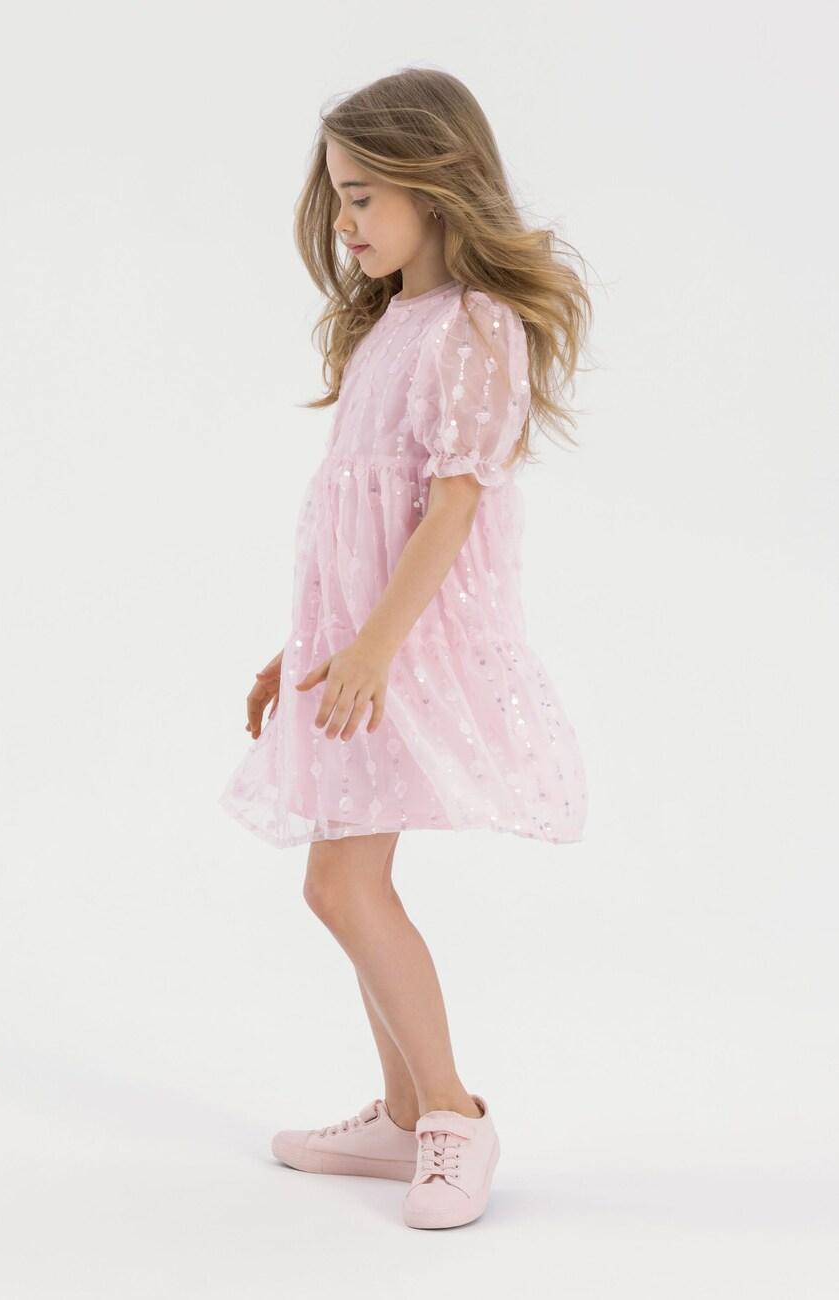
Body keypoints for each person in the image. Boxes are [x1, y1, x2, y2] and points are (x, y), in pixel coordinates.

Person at [219, 67, 592, 1230]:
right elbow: (354, 521)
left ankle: (452, 1112)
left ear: (437, 186)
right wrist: (304, 647)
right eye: (338, 197)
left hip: (410, 646)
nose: (346, 221)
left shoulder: (475, 326)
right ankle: (399, 1114)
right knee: (339, 882)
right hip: (361, 644)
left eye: (364, 195)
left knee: (343, 882)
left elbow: (450, 507)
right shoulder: (391, 325)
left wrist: (377, 649)